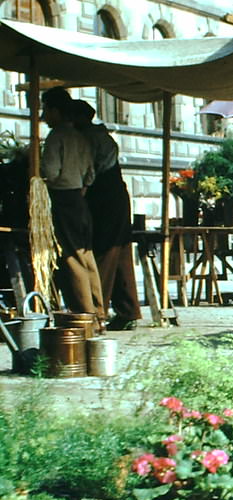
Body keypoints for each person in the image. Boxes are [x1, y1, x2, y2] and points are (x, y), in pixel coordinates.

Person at [70, 99, 141, 331]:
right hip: (114, 196)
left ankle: (97, 310)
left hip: (105, 198)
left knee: (105, 251)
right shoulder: (99, 136)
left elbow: (90, 172)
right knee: (120, 254)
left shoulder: (91, 138)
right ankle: (127, 310)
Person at [40, 87, 104, 319]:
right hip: (79, 198)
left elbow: (51, 171)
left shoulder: (57, 136)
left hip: (64, 198)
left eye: (45, 109)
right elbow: (90, 175)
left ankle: (85, 313)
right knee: (86, 255)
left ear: (55, 110)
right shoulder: (80, 136)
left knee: (72, 256)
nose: (43, 115)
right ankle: (98, 311)